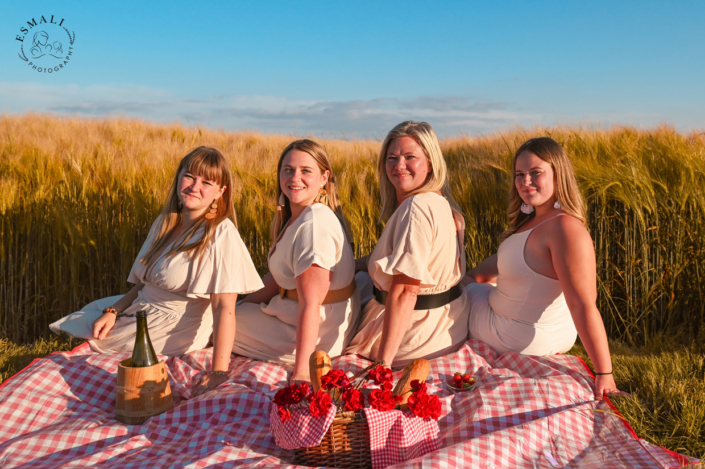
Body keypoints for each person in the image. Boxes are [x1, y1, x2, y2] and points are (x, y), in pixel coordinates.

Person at [50, 147, 264, 390]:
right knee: (90, 321)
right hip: (142, 307)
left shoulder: (220, 233)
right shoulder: (165, 222)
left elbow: (224, 307)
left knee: (91, 361)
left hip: (173, 326)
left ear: (220, 191)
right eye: (189, 176)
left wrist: (218, 371)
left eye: (206, 182)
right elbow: (146, 282)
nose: (194, 187)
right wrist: (114, 310)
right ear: (178, 177)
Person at [462, 137, 628, 399]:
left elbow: (583, 304)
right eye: (519, 174)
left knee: (463, 291)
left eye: (535, 172)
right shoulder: (536, 224)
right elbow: (486, 271)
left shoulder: (564, 228)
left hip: (513, 336)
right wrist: (472, 278)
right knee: (474, 283)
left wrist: (605, 374)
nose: (525, 181)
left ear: (558, 174)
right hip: (546, 335)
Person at [232, 139, 359, 383]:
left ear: (324, 177)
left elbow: (311, 303)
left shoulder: (313, 224)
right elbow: (278, 280)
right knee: (229, 313)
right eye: (288, 170)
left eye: (306, 171)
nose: (294, 178)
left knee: (213, 322)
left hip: (316, 335)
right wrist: (242, 305)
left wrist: (302, 373)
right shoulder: (298, 217)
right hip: (296, 317)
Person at [345, 121, 468, 368]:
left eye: (410, 157)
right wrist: (347, 264)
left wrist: (383, 365)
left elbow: (405, 291)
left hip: (412, 338)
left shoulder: (416, 209)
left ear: (431, 162)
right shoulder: (443, 204)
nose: (399, 165)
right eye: (392, 157)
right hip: (445, 329)